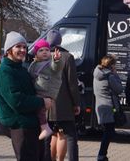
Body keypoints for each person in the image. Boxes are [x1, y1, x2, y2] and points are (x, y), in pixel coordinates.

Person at [0, 31, 51, 161]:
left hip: (31, 124)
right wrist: (42, 102)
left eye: (24, 47)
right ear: (9, 50)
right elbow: (16, 101)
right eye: (18, 47)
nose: (22, 50)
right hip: (19, 125)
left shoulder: (21, 69)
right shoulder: (5, 72)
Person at [43, 29, 80, 161]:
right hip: (63, 105)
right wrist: (76, 103)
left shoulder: (42, 55)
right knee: (69, 136)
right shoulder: (67, 57)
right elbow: (72, 84)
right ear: (60, 41)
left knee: (49, 135)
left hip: (45, 104)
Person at [28, 39, 64, 140]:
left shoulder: (50, 63)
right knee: (38, 110)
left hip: (46, 92)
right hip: (38, 91)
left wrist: (56, 60)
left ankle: (45, 128)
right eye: (41, 50)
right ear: (36, 53)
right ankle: (42, 127)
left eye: (47, 50)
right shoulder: (34, 64)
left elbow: (56, 67)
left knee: (41, 111)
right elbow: (30, 75)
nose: (44, 52)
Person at [93, 54, 123, 161]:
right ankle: (101, 155)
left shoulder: (97, 73)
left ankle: (102, 155)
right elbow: (119, 89)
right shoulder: (109, 76)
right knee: (108, 133)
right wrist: (116, 75)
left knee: (108, 131)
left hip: (100, 106)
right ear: (112, 65)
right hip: (109, 107)